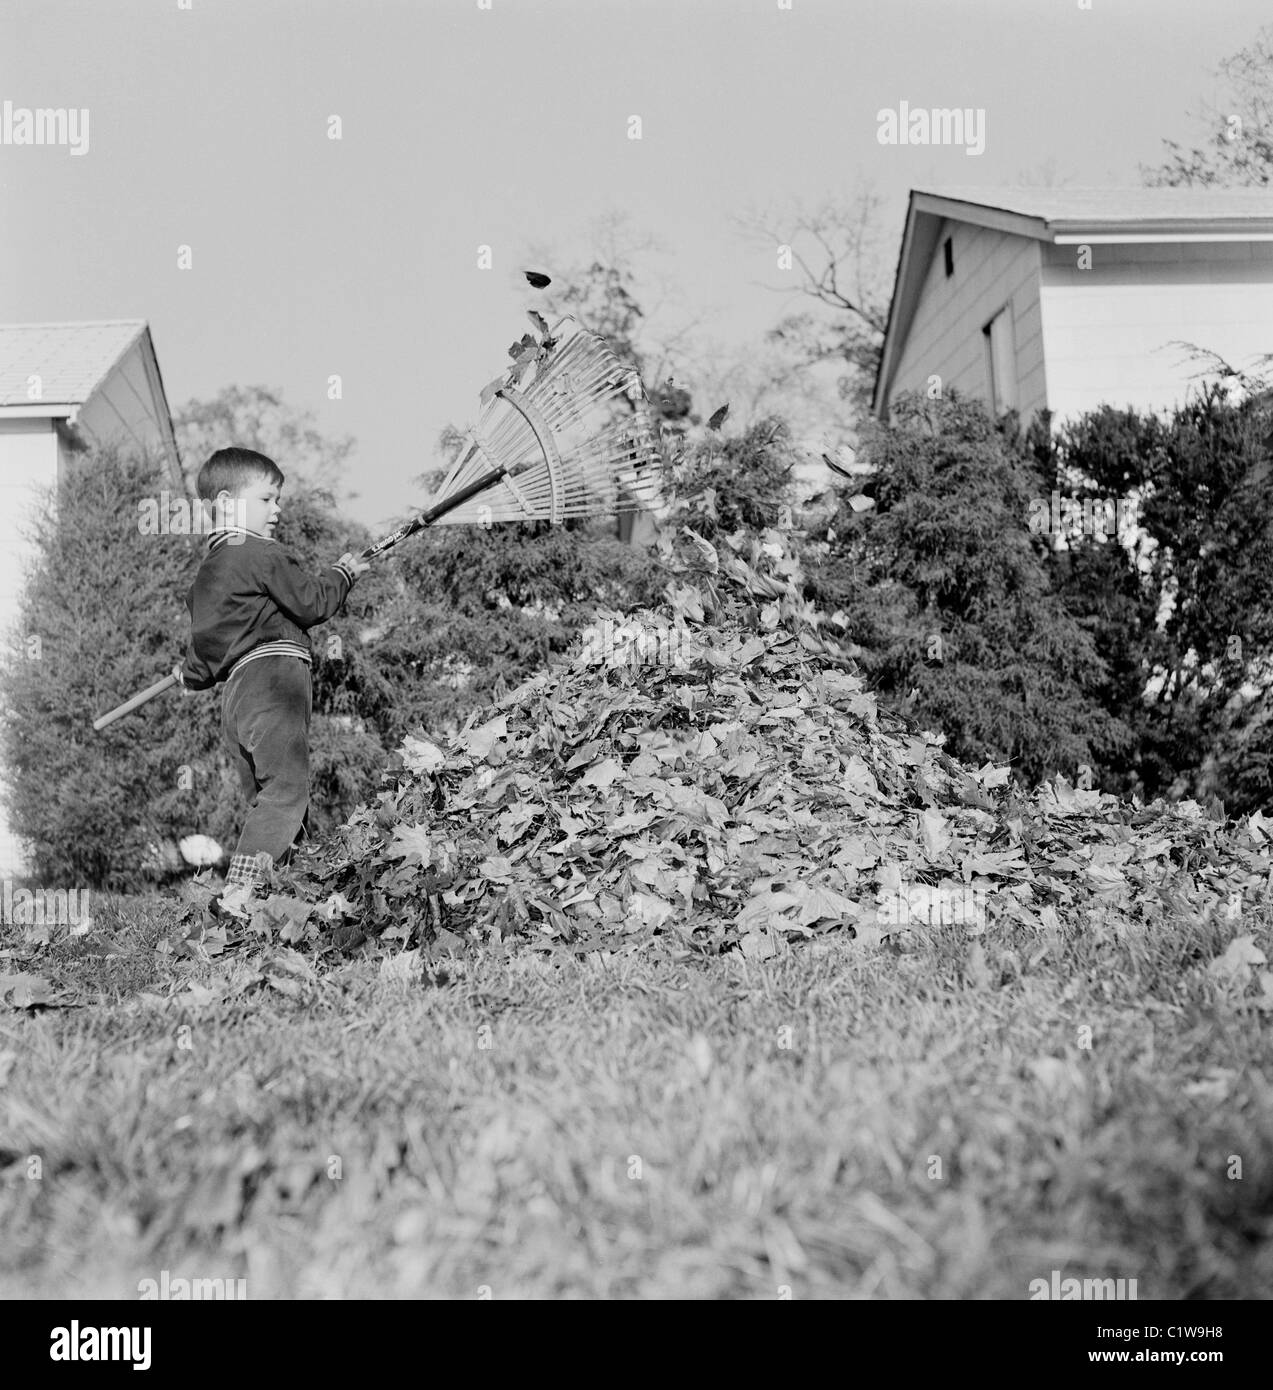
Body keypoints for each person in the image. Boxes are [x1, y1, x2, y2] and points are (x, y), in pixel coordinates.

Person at [173, 447, 371, 922]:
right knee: (285, 792)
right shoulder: (261, 553)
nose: (277, 509)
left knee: (273, 801)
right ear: (226, 503)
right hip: (274, 682)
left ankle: (292, 892)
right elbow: (311, 602)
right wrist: (342, 575)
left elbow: (202, 659)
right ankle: (240, 892)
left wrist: (188, 673)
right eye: (267, 499)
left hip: (237, 700)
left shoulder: (204, 580)